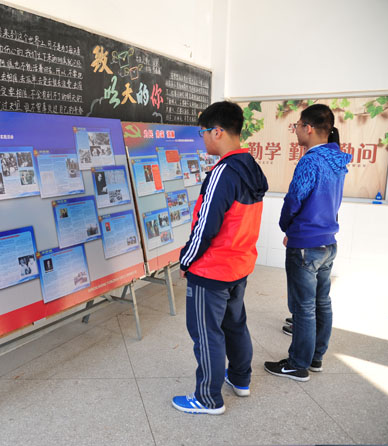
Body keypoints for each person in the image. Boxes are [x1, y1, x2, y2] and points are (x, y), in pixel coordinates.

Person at [172, 101, 268, 415]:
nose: (202, 139)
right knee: (234, 324)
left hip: (212, 269)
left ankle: (208, 398)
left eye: (203, 132)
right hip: (239, 264)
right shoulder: (250, 166)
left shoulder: (223, 173)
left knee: (206, 332)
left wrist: (186, 260)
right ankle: (240, 378)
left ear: (218, 132)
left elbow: (206, 226)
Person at [264, 104, 351, 382]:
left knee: (304, 307)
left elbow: (294, 199)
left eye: (298, 125)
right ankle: (315, 358)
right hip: (328, 242)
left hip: (305, 244)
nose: (296, 130)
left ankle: (298, 364)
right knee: (322, 302)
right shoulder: (337, 159)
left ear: (308, 128)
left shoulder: (310, 161)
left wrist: (286, 226)